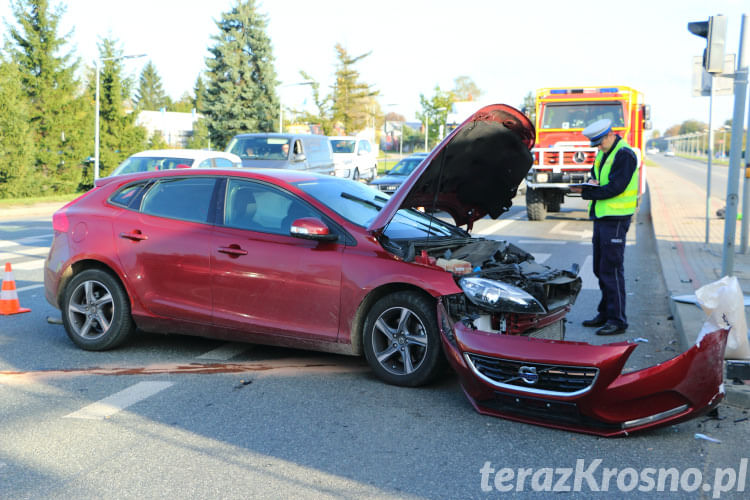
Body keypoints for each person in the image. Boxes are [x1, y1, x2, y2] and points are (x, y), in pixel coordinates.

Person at [570, 119, 639, 336]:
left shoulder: (624, 155)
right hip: (602, 217)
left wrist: (587, 192)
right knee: (600, 269)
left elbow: (616, 187)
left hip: (616, 219)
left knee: (612, 270)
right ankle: (605, 313)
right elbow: (597, 178)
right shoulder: (604, 153)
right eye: (596, 144)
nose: (597, 148)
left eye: (600, 143)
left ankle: (617, 320)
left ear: (610, 135)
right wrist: (589, 184)